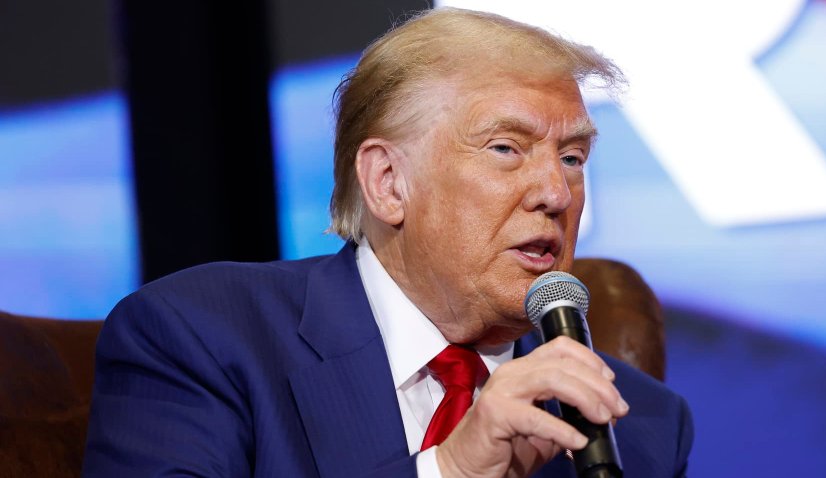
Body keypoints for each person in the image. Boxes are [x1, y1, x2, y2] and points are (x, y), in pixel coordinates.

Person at [83, 7, 693, 478]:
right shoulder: (201, 339)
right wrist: (448, 470)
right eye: (506, 148)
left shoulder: (642, 425)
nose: (556, 193)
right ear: (387, 182)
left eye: (572, 156)